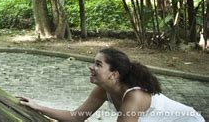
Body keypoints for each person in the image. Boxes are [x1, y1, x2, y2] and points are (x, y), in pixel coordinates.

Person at [18, 47, 205, 121]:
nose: (91, 67)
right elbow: (76, 117)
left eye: (98, 64)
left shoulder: (134, 96)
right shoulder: (102, 90)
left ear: (114, 74)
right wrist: (37, 106)